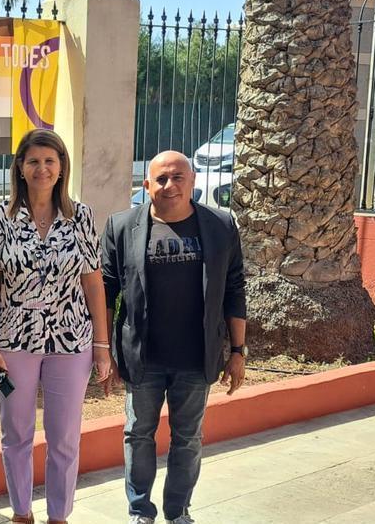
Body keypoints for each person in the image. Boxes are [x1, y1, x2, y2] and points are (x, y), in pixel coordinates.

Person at [0, 128, 114, 524]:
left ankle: (59, 516)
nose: (41, 168)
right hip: (14, 339)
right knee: (16, 432)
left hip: (70, 340)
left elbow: (93, 282)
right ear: (20, 167)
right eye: (33, 161)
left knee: (65, 437)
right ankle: (21, 512)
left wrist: (101, 346)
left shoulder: (81, 216)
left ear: (61, 169)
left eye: (49, 161)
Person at [101, 150, 247, 524]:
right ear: (146, 185)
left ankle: (178, 511)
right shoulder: (121, 226)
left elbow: (234, 289)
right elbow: (106, 292)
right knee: (138, 434)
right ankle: (140, 511)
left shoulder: (220, 225)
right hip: (142, 357)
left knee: (188, 439)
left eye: (178, 177)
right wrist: (104, 352)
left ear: (193, 182)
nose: (170, 185)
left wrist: (238, 351)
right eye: (161, 179)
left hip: (197, 358)